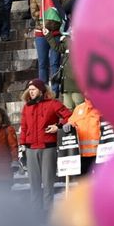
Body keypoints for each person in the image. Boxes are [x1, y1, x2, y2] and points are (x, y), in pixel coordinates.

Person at [19, 78, 72, 212]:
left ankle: (48, 213)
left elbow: (69, 116)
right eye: (29, 90)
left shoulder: (53, 104)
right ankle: (37, 214)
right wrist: (22, 145)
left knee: (48, 184)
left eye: (33, 89)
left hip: (48, 147)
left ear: (41, 90)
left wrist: (58, 126)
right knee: (34, 184)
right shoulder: (27, 107)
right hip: (31, 148)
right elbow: (24, 127)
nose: (30, 92)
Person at [30, 0, 61, 94]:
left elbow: (60, 11)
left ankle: (55, 89)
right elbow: (34, 14)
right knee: (43, 63)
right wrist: (46, 10)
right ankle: (43, 90)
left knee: (55, 62)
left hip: (55, 32)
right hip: (41, 33)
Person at [66, 97, 102, 175]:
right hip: (81, 153)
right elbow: (72, 122)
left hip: (99, 153)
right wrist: (68, 125)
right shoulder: (79, 108)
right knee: (83, 183)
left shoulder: (104, 107)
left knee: (100, 182)